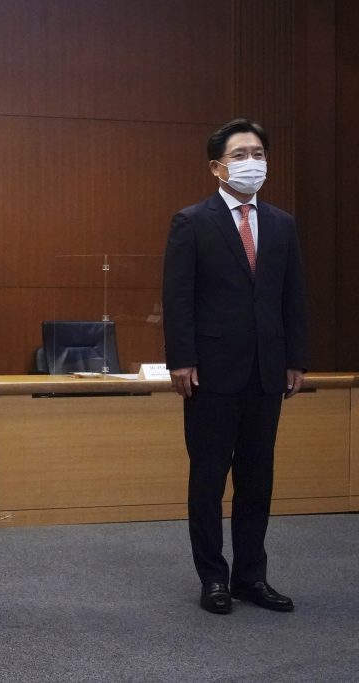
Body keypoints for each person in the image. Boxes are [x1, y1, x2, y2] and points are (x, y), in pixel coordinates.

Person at [162, 118, 306, 615]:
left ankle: (251, 577)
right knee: (207, 479)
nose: (253, 162)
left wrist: (295, 359)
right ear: (217, 167)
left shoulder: (282, 223)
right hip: (211, 373)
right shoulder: (192, 221)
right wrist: (180, 359)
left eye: (259, 153)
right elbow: (177, 297)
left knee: (257, 479)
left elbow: (292, 297)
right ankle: (213, 578)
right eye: (242, 154)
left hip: (267, 372)